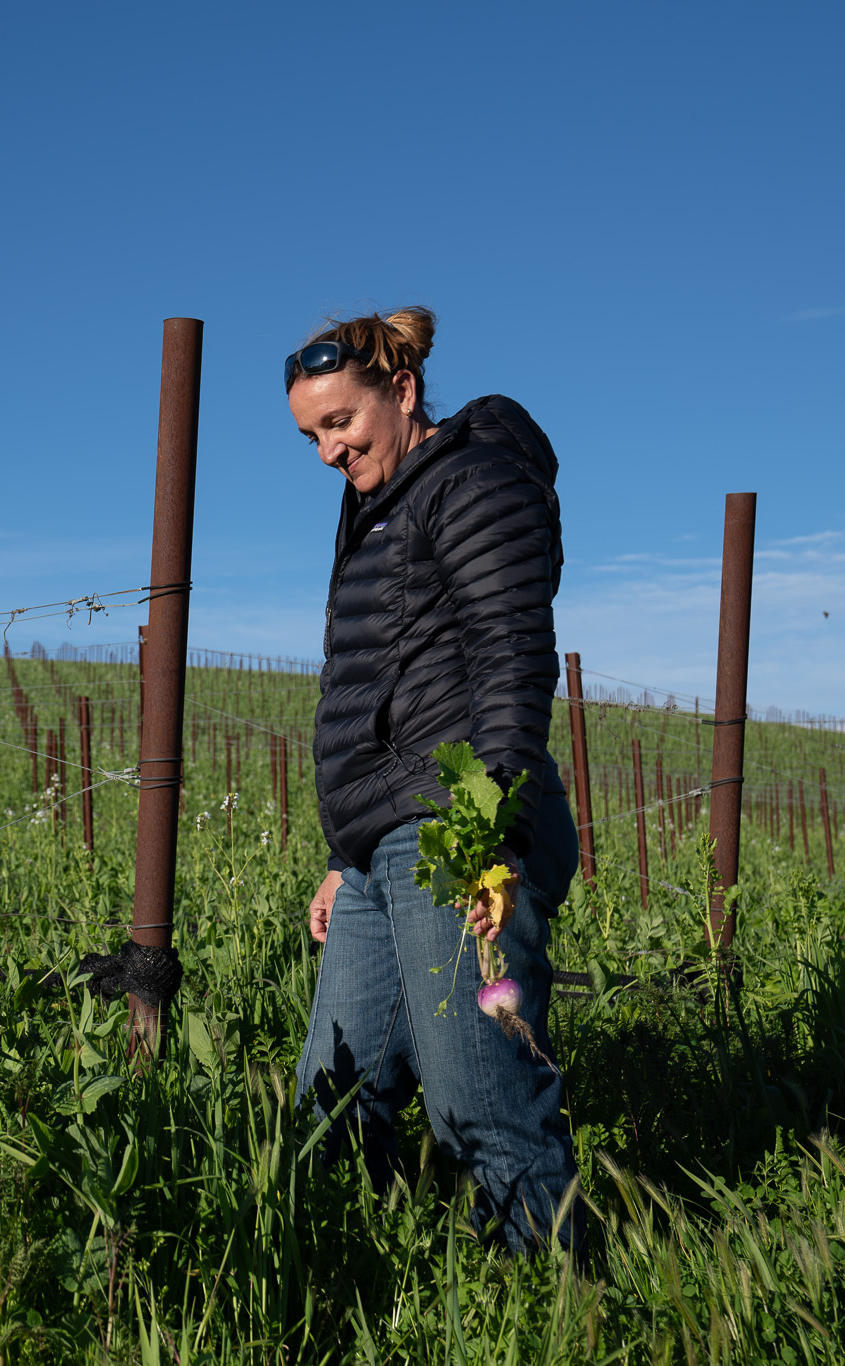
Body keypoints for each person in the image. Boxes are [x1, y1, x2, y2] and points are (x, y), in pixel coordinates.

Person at [287, 306, 580, 1253]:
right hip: (385, 845)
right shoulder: (378, 508)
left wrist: (485, 833)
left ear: (402, 392)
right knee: (333, 1097)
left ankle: (560, 1311)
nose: (329, 450)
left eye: (340, 423)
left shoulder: (472, 481)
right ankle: (342, 1290)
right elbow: (379, 693)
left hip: (457, 828)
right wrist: (345, 853)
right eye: (312, 435)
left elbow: (512, 657)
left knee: (480, 1099)